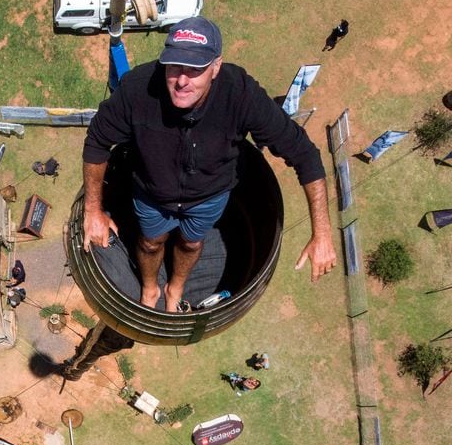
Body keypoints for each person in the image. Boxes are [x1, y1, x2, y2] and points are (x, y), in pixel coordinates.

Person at [82, 17, 336, 312]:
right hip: (152, 194)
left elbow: (304, 154)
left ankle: (175, 287)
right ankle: (150, 288)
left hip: (208, 198)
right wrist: (93, 210)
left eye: (195, 69)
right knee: (151, 242)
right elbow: (98, 140)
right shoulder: (138, 89)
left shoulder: (240, 94)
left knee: (191, 243)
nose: (182, 80)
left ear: (216, 67)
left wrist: (322, 233)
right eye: (175, 66)